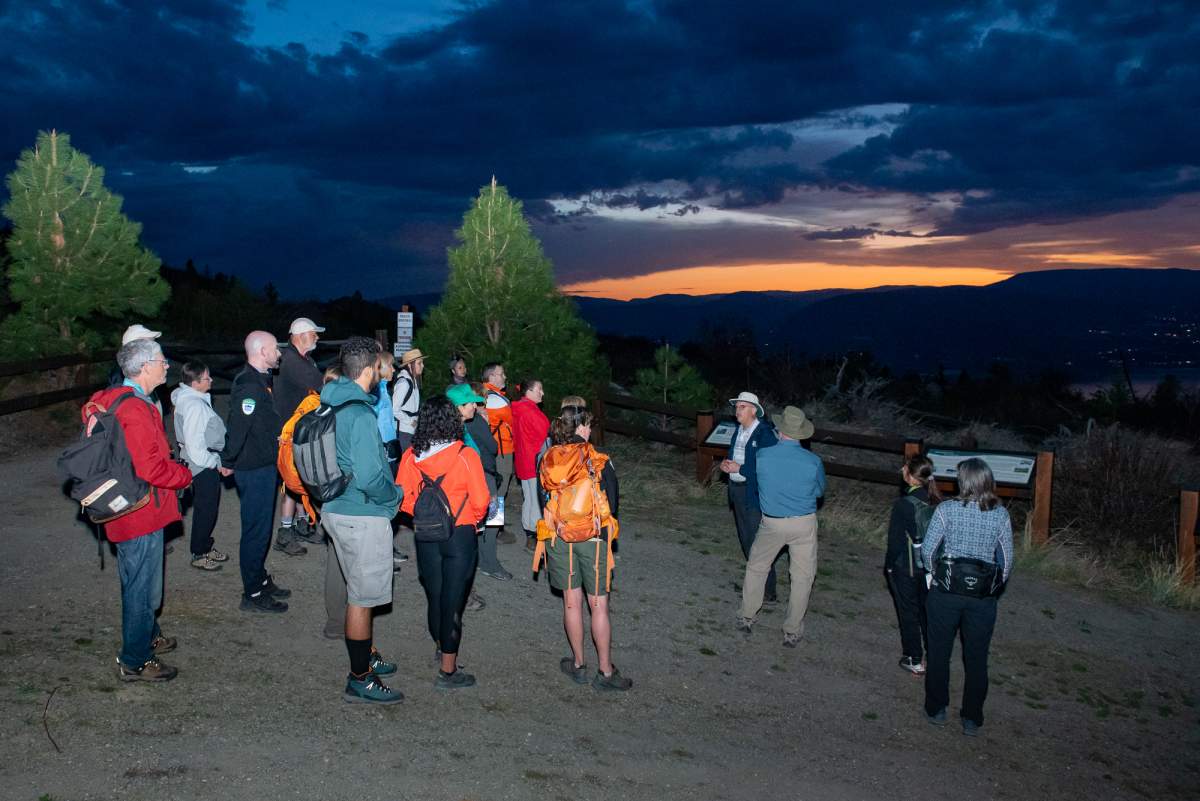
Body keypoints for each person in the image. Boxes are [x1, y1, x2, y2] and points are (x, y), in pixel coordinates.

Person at [87, 338, 192, 681]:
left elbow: (90, 406)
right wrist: (184, 475)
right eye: (162, 360)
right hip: (140, 512)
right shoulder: (135, 408)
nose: (166, 365)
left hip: (127, 510)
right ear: (145, 366)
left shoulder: (115, 396)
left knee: (139, 580)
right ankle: (135, 660)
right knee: (141, 587)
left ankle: (148, 635)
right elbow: (151, 469)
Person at [319, 336, 405, 704]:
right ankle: (359, 677)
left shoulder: (329, 403)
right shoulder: (359, 413)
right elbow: (371, 476)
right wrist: (394, 499)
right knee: (362, 596)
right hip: (360, 513)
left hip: (335, 507)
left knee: (357, 587)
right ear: (369, 371)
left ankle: (364, 651)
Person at [397, 394, 490, 690]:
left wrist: (423, 515)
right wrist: (469, 520)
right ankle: (448, 670)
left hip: (426, 534)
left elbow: (403, 498)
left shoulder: (411, 456)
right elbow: (481, 500)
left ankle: (439, 644)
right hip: (460, 534)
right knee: (452, 602)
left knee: (434, 594)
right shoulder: (465, 455)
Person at [537, 405, 630, 691]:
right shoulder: (596, 458)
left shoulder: (548, 458)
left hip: (560, 537)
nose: (590, 430)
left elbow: (544, 502)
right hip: (593, 538)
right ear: (578, 427)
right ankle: (605, 671)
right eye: (587, 425)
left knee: (571, 601)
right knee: (598, 605)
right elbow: (611, 502)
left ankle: (578, 663)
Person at [921, 458, 1014, 736]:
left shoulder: (946, 510)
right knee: (976, 657)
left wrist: (935, 574)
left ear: (963, 481)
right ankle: (972, 717)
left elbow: (928, 551)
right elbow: (1007, 561)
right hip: (981, 599)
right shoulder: (1000, 514)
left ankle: (936, 708)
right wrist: (992, 588)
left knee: (939, 652)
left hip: (946, 592)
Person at [736, 405, 824, 647]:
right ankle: (792, 630)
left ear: (779, 430)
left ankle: (747, 616)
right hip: (803, 523)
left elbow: (755, 479)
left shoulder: (764, 456)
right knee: (802, 577)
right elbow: (819, 491)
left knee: (757, 567)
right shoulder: (813, 461)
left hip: (772, 522)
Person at [223, 330, 291, 613]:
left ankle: (260, 579)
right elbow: (239, 427)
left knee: (262, 529)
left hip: (263, 465)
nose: (279, 353)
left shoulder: (261, 380)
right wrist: (228, 460)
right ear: (262, 351)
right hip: (253, 469)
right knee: (255, 531)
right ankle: (252, 593)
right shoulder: (250, 386)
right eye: (275, 348)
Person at [171, 360, 232, 571]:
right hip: (202, 464)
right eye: (207, 378)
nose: (211, 380)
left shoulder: (189, 398)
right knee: (206, 510)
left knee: (207, 508)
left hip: (199, 460)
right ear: (195, 383)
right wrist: (214, 463)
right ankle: (199, 552)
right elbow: (195, 445)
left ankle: (205, 545)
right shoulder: (194, 405)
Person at [720, 392, 780, 603]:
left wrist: (741, 468)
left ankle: (769, 592)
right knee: (746, 539)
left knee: (759, 543)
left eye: (743, 407)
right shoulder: (739, 430)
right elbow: (734, 456)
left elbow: (769, 468)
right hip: (737, 489)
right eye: (737, 407)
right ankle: (754, 586)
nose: (738, 411)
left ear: (754, 410)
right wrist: (726, 465)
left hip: (753, 493)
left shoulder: (765, 434)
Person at [273, 317, 326, 552]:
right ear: (301, 335)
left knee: (299, 478)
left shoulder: (302, 359)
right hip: (290, 431)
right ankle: (285, 533)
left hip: (299, 429)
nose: (317, 337)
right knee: (291, 482)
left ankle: (301, 524)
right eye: (314, 333)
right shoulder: (293, 361)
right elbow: (320, 384)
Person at [885, 454, 941, 675]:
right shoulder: (939, 502)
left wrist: (889, 566)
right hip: (932, 568)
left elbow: (895, 541)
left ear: (911, 475)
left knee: (908, 612)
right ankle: (935, 656)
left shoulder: (904, 505)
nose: (901, 470)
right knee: (928, 612)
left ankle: (913, 657)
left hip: (907, 567)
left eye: (905, 468)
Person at [453, 383, 510, 582]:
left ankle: (480, 559)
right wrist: (486, 427)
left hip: (477, 473)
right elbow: (493, 447)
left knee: (479, 519)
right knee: (494, 519)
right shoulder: (476, 421)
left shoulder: (460, 422)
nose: (480, 405)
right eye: (479, 400)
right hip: (485, 474)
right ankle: (490, 564)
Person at [512, 378, 549, 552]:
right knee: (536, 500)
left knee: (529, 497)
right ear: (529, 392)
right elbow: (545, 432)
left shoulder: (518, 408)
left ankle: (528, 530)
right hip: (534, 461)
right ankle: (534, 535)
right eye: (539, 389)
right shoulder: (530, 411)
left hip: (523, 459)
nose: (542, 393)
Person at [481, 363, 516, 543]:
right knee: (499, 492)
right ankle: (493, 534)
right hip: (502, 451)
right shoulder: (497, 400)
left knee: (491, 490)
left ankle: (492, 530)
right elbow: (512, 421)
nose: (505, 377)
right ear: (492, 377)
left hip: (489, 449)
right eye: (501, 374)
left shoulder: (483, 395)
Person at [391, 348, 425, 454]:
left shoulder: (412, 380)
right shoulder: (404, 383)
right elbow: (394, 410)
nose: (423, 366)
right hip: (405, 431)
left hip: (411, 430)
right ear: (410, 365)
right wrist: (411, 422)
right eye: (419, 363)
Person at [373, 350, 399, 475]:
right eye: (390, 366)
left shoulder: (383, 390)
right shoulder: (376, 393)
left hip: (390, 449)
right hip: (383, 452)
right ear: (380, 368)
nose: (393, 370)